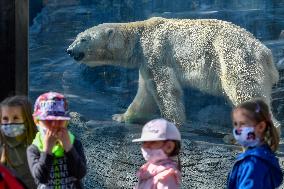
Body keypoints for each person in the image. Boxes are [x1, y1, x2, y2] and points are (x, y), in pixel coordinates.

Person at [27, 91, 87, 189]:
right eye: (48, 121)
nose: (54, 125)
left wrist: (69, 147)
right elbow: (41, 177)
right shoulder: (34, 149)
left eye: (59, 120)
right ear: (37, 121)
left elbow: (80, 174)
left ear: (66, 122)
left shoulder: (75, 144)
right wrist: (47, 150)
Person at [227, 98, 283, 189]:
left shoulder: (253, 164)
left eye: (243, 124)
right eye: (236, 124)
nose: (237, 130)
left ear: (261, 126)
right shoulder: (264, 156)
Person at [132, 118, 181, 189]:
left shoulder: (166, 176)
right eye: (144, 142)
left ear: (169, 147)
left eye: (152, 142)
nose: (145, 146)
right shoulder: (148, 168)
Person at [0, 96, 37, 188]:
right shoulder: (1, 143)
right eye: (5, 118)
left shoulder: (37, 141)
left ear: (27, 119)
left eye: (15, 118)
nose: (10, 123)